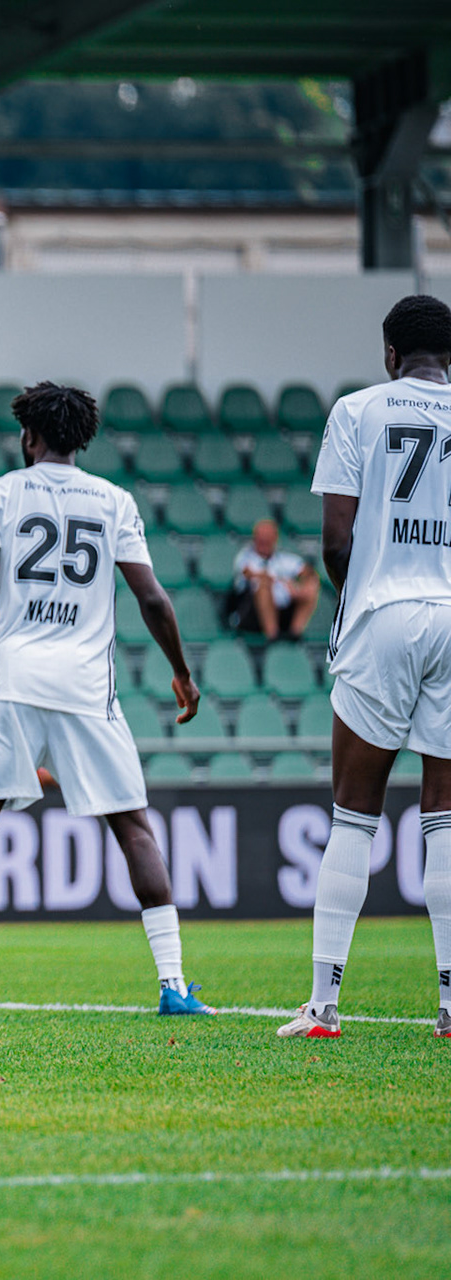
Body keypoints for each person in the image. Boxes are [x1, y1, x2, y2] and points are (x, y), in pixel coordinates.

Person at [0, 381, 215, 1021]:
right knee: (133, 829)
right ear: (81, 438)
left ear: (27, 437)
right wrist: (181, 671)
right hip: (89, 685)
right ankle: (173, 984)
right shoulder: (114, 501)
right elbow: (151, 598)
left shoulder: (0, 494)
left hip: (10, 681)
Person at [279, 294, 451, 1040]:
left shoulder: (357, 411)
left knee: (355, 808)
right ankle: (449, 1004)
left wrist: (371, 600)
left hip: (383, 612)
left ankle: (323, 1004)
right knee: (444, 814)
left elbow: (338, 543)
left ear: (390, 354)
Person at [231, 518, 319, 641]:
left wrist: (299, 587)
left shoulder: (284, 559)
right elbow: (249, 574)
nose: (264, 541)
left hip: (283, 609)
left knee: (312, 584)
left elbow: (307, 571)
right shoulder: (245, 557)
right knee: (264, 585)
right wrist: (283, 582)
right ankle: (272, 636)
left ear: (275, 539)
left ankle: (295, 634)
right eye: (261, 537)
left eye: (268, 537)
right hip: (252, 613)